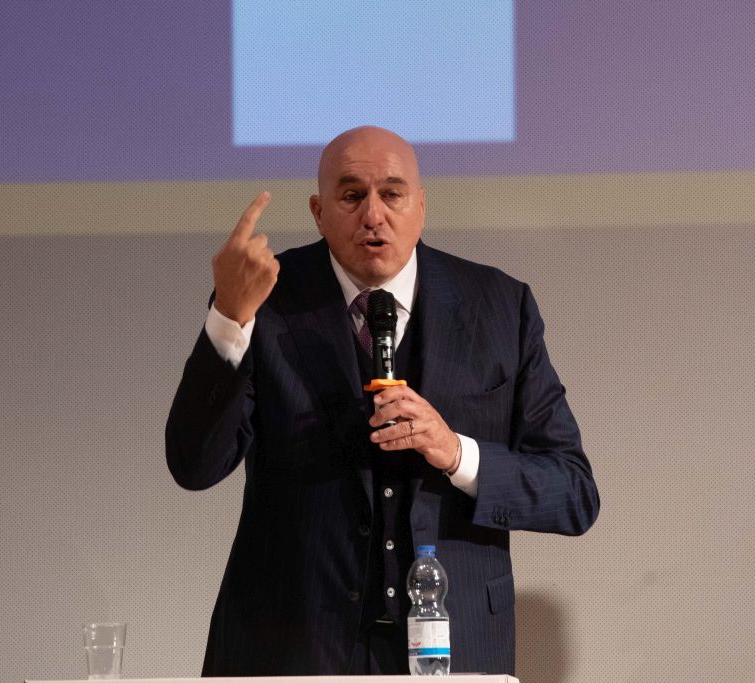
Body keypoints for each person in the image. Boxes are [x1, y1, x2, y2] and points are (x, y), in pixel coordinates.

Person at [165, 126, 599, 676]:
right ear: (319, 213)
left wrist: (456, 452)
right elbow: (194, 465)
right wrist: (229, 316)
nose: (373, 215)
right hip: (291, 648)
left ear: (421, 206)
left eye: (392, 194)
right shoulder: (264, 300)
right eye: (351, 196)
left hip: (454, 647)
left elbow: (572, 492)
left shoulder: (500, 308)